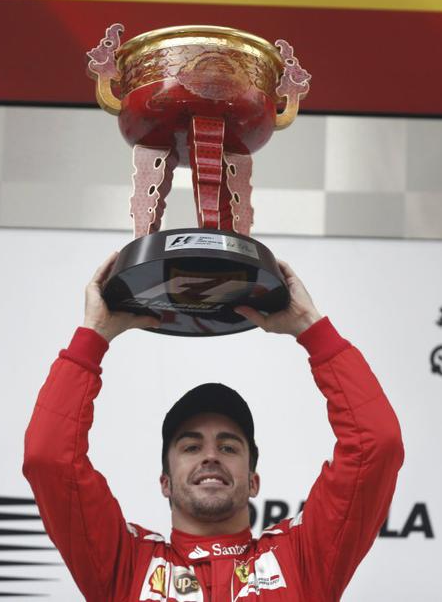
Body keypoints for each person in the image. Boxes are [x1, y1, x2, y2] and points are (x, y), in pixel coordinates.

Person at [23, 252, 404, 601]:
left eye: (228, 447)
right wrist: (94, 335)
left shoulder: (302, 559)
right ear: (165, 482)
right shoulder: (125, 565)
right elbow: (49, 458)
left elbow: (376, 445)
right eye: (191, 446)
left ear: (254, 481)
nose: (210, 456)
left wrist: (311, 328)